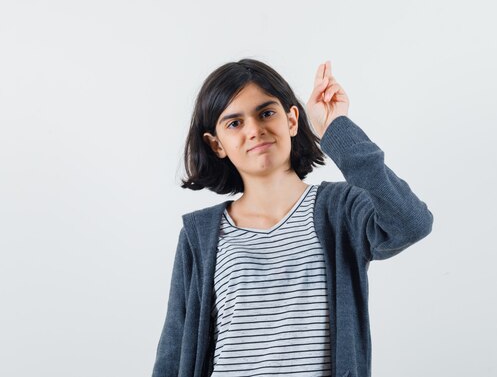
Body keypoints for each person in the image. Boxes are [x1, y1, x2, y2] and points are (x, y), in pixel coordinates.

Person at [151, 58, 434, 377]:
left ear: (292, 119)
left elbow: (411, 223)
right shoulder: (199, 234)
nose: (255, 131)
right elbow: (173, 352)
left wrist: (335, 130)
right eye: (234, 123)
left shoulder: (339, 210)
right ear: (216, 144)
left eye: (266, 113)